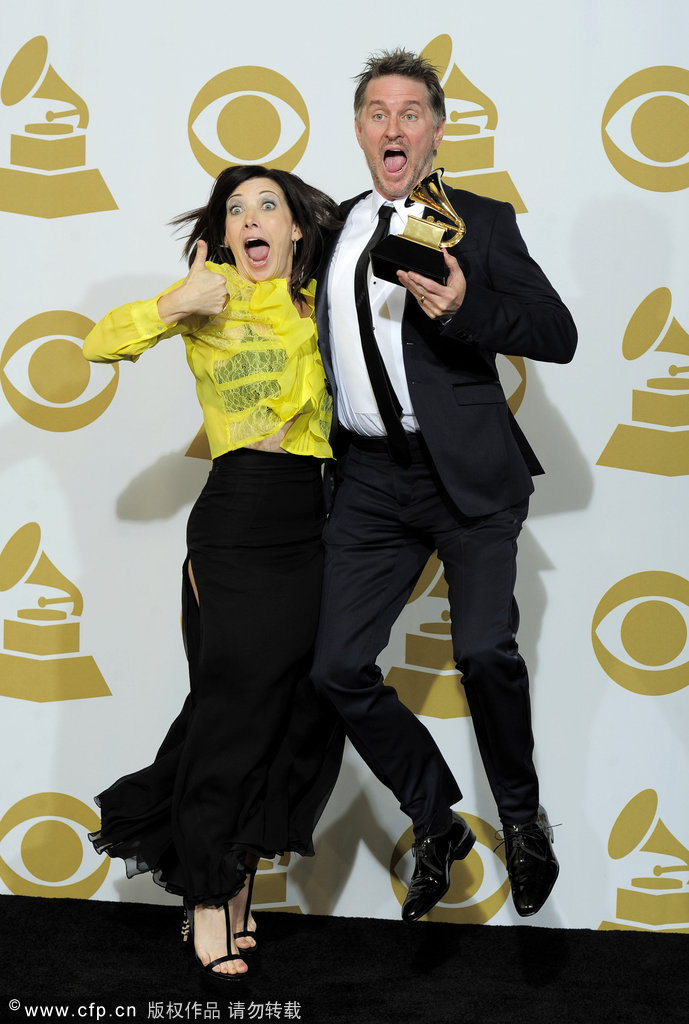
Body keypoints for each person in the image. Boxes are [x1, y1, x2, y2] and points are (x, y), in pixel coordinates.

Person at [310, 49, 577, 923]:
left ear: (436, 128)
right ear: (359, 130)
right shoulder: (332, 228)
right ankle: (436, 821)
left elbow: (555, 332)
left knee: (481, 653)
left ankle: (522, 820)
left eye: (411, 112)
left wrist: (466, 310)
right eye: (378, 112)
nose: (394, 127)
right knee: (339, 668)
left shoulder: (482, 222)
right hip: (369, 483)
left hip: (467, 477)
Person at [84, 164, 344, 980]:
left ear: (298, 228)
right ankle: (203, 894)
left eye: (269, 205)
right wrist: (173, 303)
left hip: (316, 519)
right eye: (237, 211)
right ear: (224, 234)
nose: (252, 219)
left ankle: (238, 884)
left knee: (292, 709)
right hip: (235, 520)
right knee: (232, 711)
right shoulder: (210, 297)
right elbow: (99, 344)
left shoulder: (326, 308)